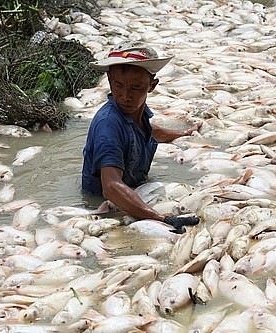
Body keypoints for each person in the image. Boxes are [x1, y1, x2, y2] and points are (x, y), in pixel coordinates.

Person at [81, 42, 201, 233]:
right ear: (109, 80)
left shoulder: (138, 114)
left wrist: (183, 134)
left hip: (135, 194)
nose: (125, 96)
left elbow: (149, 131)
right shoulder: (108, 124)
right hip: (107, 206)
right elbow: (111, 187)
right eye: (118, 86)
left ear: (152, 86)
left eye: (136, 88)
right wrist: (161, 219)